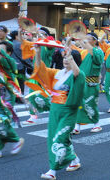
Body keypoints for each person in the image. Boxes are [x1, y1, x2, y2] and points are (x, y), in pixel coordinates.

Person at [30, 44, 85, 180]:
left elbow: (77, 73)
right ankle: (74, 160)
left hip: (68, 111)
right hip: (55, 109)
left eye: (69, 57)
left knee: (58, 139)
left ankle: (52, 170)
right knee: (59, 138)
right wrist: (37, 53)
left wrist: (71, 54)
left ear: (75, 60)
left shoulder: (78, 74)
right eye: (64, 57)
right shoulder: (58, 73)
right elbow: (40, 69)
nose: (66, 60)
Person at [71, 32, 104, 134]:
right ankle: (77, 126)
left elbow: (95, 57)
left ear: (95, 41)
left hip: (91, 84)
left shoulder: (99, 52)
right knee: (79, 104)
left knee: (90, 104)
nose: (86, 41)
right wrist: (70, 41)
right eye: (86, 39)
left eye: (89, 39)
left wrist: (84, 41)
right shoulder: (83, 52)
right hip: (82, 82)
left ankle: (96, 124)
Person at [0, 39, 24, 158]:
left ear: (8, 53)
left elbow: (4, 60)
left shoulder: (11, 61)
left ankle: (15, 141)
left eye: (1, 49)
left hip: (7, 93)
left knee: (2, 120)